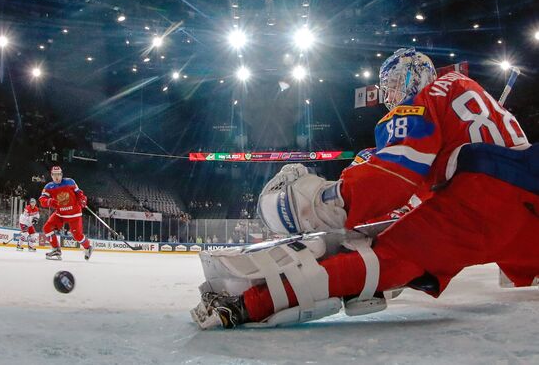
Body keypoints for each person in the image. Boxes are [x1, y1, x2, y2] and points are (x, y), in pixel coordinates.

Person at [191, 48, 538, 329]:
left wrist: (329, 200)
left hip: (478, 205)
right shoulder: (470, 91)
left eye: (390, 87)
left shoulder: (426, 98)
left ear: (407, 78)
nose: (389, 97)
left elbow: (396, 172)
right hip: (530, 201)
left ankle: (246, 304)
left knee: (381, 259)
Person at [39, 166, 92, 261]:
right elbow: (42, 200)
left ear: (61, 174)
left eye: (58, 174)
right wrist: (49, 201)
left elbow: (79, 193)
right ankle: (56, 249)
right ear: (51, 175)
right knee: (47, 228)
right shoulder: (48, 187)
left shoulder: (70, 182)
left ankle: (88, 247)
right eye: (54, 174)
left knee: (77, 236)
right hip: (60, 214)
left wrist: (83, 199)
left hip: (74, 214)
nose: (56, 177)